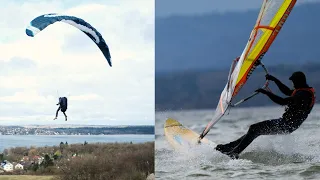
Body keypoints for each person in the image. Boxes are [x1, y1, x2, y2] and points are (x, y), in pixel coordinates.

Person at [215, 71, 315, 159]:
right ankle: (230, 147)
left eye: (293, 82)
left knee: (254, 129)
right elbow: (287, 91)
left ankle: (235, 152)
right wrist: (274, 80)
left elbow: (282, 101)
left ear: (298, 81)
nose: (292, 84)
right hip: (288, 125)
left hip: (286, 125)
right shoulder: (302, 91)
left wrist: (266, 93)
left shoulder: (303, 95)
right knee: (255, 130)